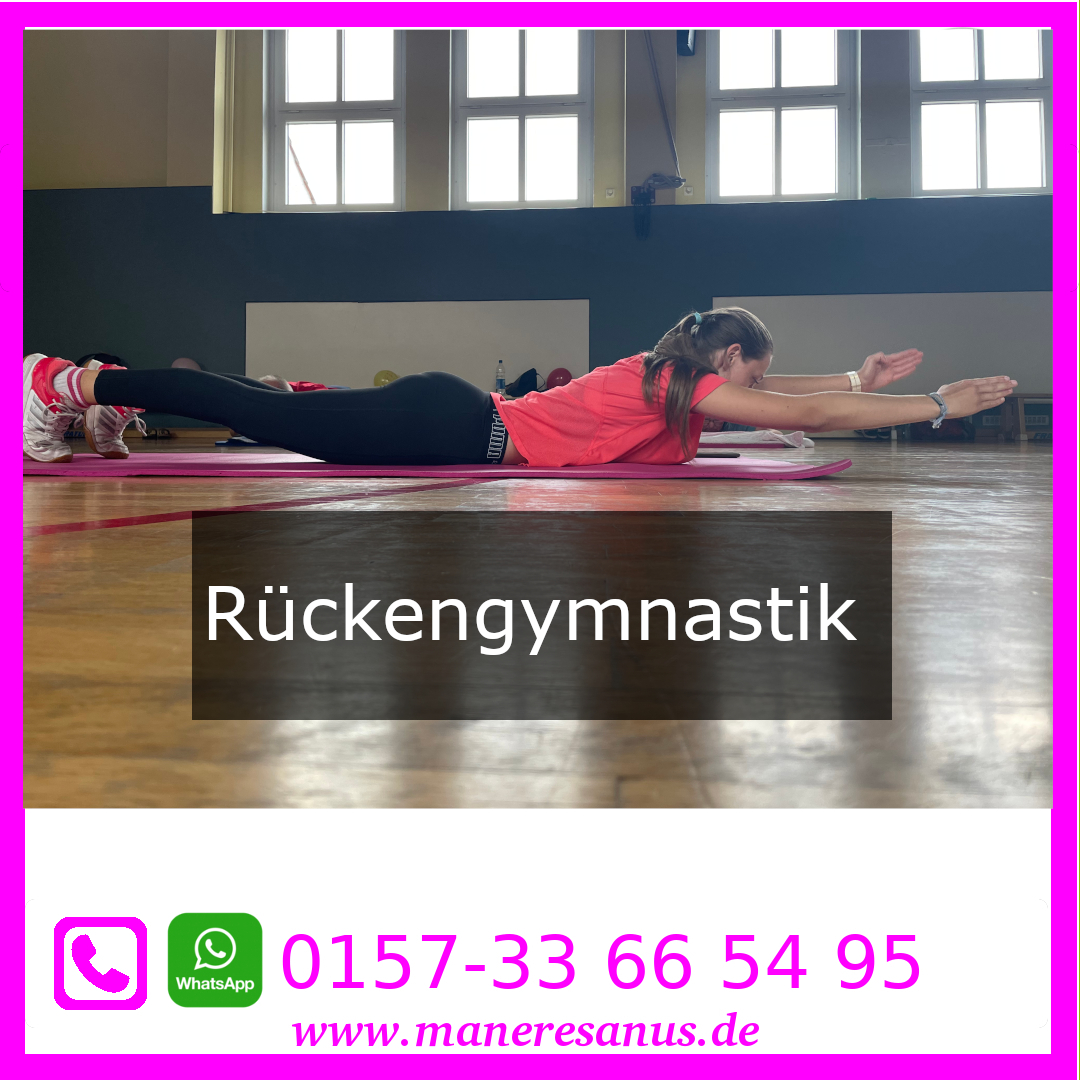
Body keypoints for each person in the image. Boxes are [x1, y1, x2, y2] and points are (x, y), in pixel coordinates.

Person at [23, 307, 1016, 466]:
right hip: (450, 425)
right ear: (726, 365)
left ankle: (112, 398)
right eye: (753, 372)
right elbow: (802, 413)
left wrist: (854, 376)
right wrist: (935, 405)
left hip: (452, 416)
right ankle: (66, 381)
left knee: (272, 404)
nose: (759, 388)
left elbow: (796, 393)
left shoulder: (677, 376)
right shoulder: (678, 380)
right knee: (260, 413)